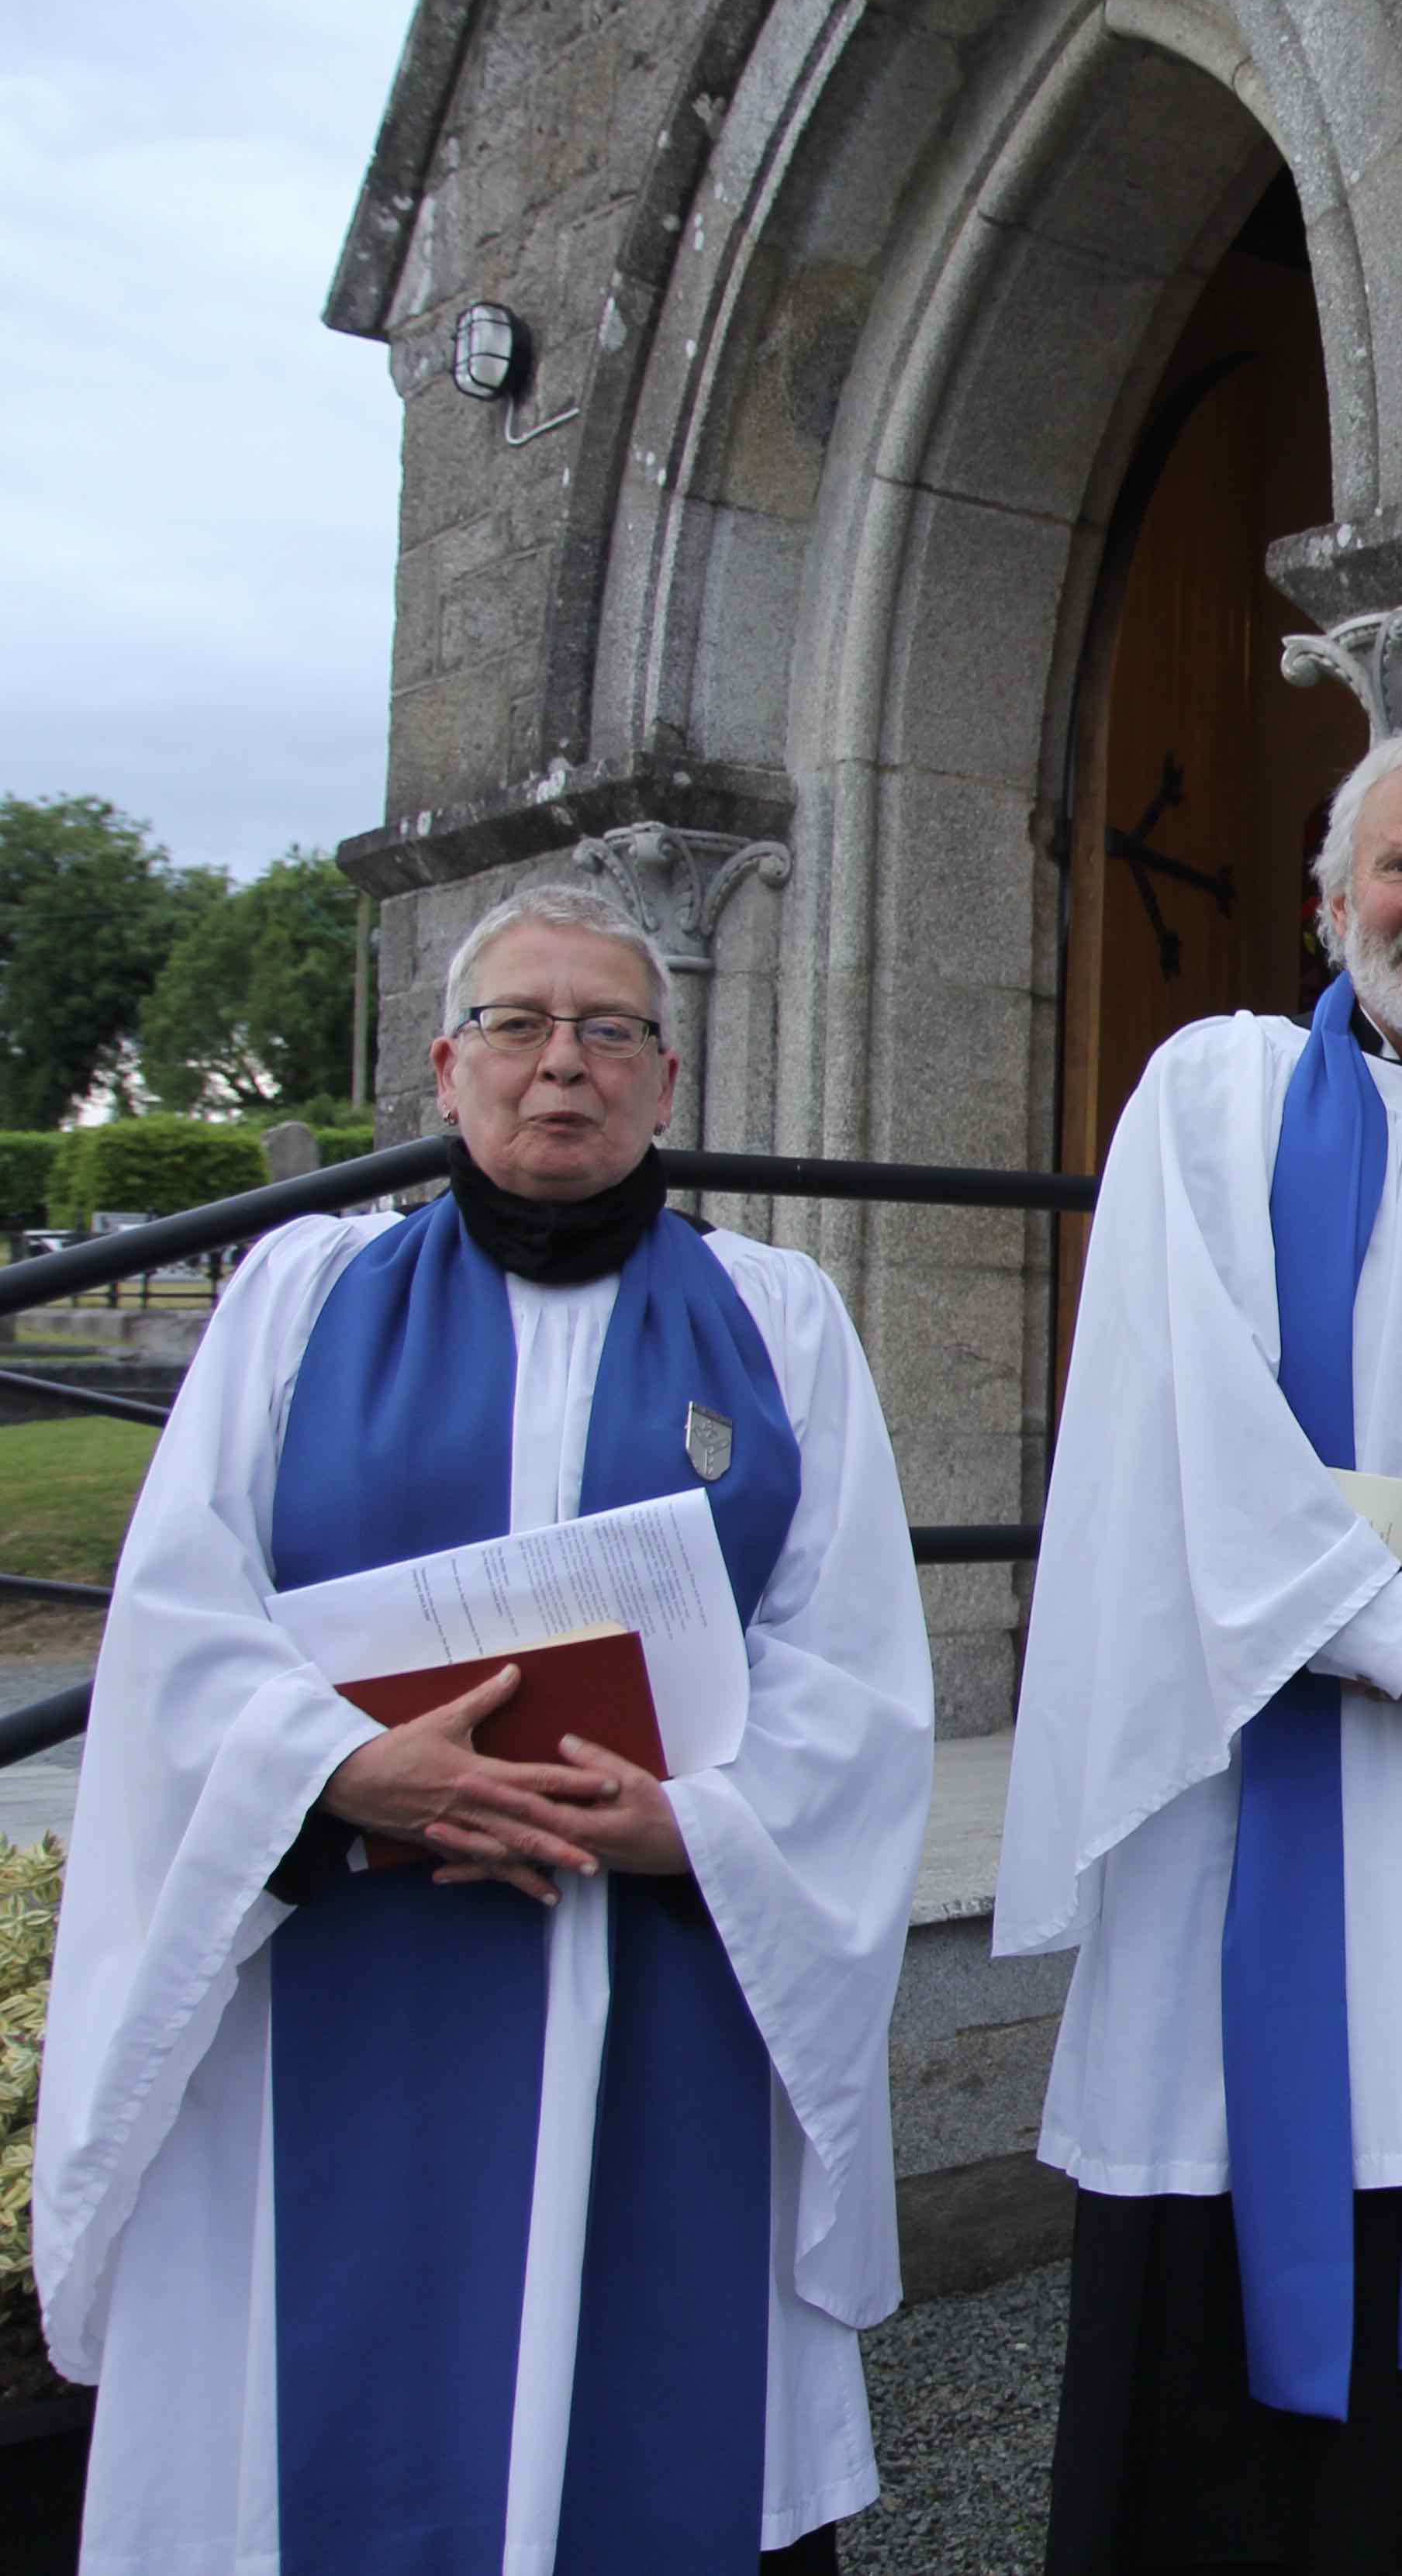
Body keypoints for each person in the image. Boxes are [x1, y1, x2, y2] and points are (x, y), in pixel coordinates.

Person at [33, 884, 935, 2573]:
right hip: (354, 1956)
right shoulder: (301, 1296)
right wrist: (338, 1767)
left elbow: (853, 1664)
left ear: (667, 1083)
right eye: (517, 1025)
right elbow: (181, 1618)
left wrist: (701, 1824)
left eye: (609, 1030)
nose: (561, 1066)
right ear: (445, 1067)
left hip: (661, 1960)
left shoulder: (778, 1318)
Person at [997, 724, 1402, 2575]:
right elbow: (1175, 1388)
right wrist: (1382, 1632)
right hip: (1261, 1756)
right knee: (1219, 2297)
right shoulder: (1209, 1094)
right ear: (1328, 896)